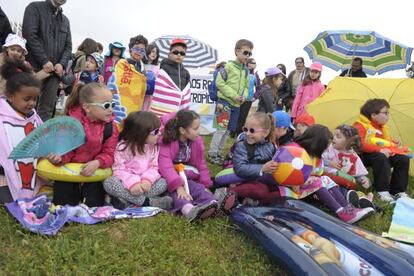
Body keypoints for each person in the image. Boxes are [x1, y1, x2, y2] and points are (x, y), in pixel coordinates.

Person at [277, 125, 375, 224]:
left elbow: (318, 172)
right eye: (324, 147)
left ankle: (348, 209)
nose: (325, 150)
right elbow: (285, 171)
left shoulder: (315, 156)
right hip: (290, 187)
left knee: (325, 179)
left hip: (306, 186)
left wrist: (311, 178)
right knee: (319, 181)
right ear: (317, 143)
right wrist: (303, 180)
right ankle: (340, 212)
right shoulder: (295, 150)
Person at [158, 110, 236, 222]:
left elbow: (201, 164)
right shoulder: (167, 141)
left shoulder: (196, 142)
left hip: (189, 178)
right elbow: (165, 166)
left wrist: (206, 185)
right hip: (171, 180)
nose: (198, 131)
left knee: (199, 189)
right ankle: (190, 211)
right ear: (182, 130)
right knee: (179, 195)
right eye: (195, 129)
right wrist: (178, 186)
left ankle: (213, 205)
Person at [49, 83, 119, 207]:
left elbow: (109, 153)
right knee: (64, 207)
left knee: (93, 207)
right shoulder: (71, 124)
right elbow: (66, 148)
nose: (110, 109)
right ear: (87, 107)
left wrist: (98, 162)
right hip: (69, 172)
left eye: (112, 104)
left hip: (93, 172)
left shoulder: (110, 127)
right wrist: (59, 158)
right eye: (106, 105)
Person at [103, 111, 173, 210]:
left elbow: (154, 167)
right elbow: (118, 170)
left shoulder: (154, 147)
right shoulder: (122, 148)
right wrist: (133, 183)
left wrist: (147, 180)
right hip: (127, 184)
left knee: (164, 182)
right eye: (156, 131)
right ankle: (148, 202)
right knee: (109, 183)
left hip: (145, 186)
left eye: (160, 130)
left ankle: (126, 201)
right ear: (141, 134)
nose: (160, 134)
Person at [0, 61, 43, 203]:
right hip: (4, 175)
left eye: (35, 99)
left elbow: (44, 140)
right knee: (8, 201)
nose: (31, 103)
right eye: (27, 99)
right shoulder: (2, 118)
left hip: (32, 174)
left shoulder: (34, 118)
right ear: (10, 96)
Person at [22, 0, 72, 121]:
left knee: (47, 109)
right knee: (25, 104)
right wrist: (44, 60)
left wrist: (61, 63)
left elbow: (68, 46)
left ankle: (41, 137)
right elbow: (29, 35)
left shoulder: (65, 20)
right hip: (34, 68)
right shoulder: (35, 8)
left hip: (54, 73)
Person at [353, 99, 411, 202]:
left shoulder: (382, 128)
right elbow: (359, 144)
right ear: (373, 114)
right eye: (385, 113)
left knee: (403, 159)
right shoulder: (361, 125)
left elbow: (383, 142)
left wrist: (393, 143)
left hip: (379, 154)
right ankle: (382, 191)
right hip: (363, 155)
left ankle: (397, 191)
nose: (388, 115)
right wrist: (380, 150)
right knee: (381, 157)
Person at [207, 39, 252, 165]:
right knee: (220, 129)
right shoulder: (228, 66)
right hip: (225, 102)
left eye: (250, 54)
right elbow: (219, 83)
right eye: (245, 52)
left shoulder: (246, 71)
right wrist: (234, 95)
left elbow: (246, 86)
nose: (247, 56)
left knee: (228, 130)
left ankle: (219, 153)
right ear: (237, 51)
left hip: (236, 105)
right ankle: (212, 153)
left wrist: (243, 96)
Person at [231, 112, 279, 205]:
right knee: (260, 191)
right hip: (245, 180)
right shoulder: (242, 145)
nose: (247, 133)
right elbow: (239, 168)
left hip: (263, 180)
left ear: (265, 133)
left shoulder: (272, 146)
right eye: (245, 129)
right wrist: (262, 168)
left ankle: (252, 202)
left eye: (252, 131)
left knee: (279, 192)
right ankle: (227, 193)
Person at [323, 125, 373, 208]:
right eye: (334, 135)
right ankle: (353, 202)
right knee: (341, 190)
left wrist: (363, 179)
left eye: (338, 136)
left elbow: (358, 173)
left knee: (349, 190)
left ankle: (364, 201)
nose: (334, 138)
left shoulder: (353, 156)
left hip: (346, 182)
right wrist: (329, 163)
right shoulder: (329, 149)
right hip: (329, 180)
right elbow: (319, 161)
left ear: (349, 142)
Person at [149, 39, 191, 117]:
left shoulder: (186, 73)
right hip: (162, 111)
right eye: (175, 52)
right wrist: (177, 94)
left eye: (182, 53)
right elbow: (160, 89)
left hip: (178, 111)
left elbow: (186, 92)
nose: (179, 55)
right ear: (169, 54)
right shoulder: (163, 69)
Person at [235, 58, 260, 136]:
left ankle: (239, 132)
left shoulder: (255, 75)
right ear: (247, 63)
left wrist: (255, 97)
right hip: (238, 98)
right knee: (236, 115)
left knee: (243, 116)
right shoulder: (241, 71)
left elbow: (259, 88)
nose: (253, 64)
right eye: (252, 63)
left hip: (248, 99)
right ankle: (232, 131)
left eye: (254, 63)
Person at [142, 44, 160, 111]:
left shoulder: (157, 68)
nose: (154, 54)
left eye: (156, 52)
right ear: (147, 51)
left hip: (150, 98)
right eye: (153, 51)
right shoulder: (140, 64)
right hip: (139, 95)